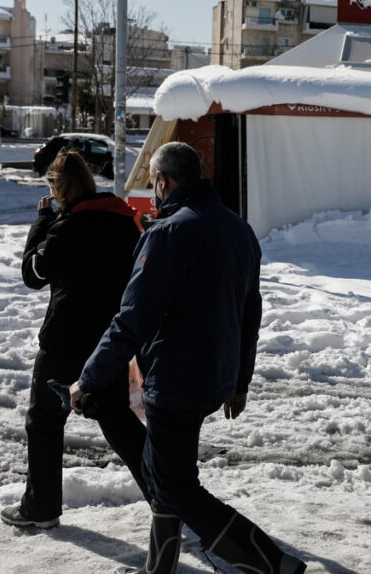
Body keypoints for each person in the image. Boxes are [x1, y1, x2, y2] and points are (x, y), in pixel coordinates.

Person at [71, 142, 306, 574]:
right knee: (166, 477)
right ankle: (159, 567)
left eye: (153, 183)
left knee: (176, 487)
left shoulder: (167, 233)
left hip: (176, 382)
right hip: (214, 378)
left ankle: (272, 564)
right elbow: (249, 312)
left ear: (163, 180)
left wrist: (87, 379)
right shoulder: (238, 229)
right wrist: (240, 381)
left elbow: (132, 319)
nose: (154, 192)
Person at [2, 151, 149, 529]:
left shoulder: (67, 228)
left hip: (65, 342)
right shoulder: (124, 221)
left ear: (58, 188)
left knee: (45, 422)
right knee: (119, 422)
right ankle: (171, 501)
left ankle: (41, 508)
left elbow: (33, 274)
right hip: (111, 340)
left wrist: (42, 223)